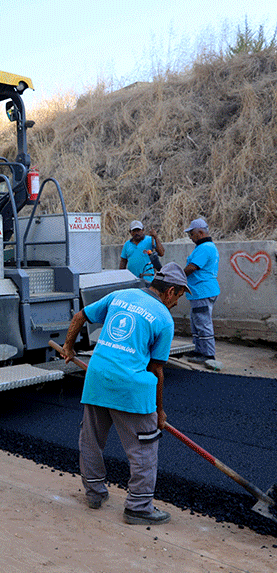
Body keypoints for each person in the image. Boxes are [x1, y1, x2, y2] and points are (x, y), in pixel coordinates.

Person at [62, 262, 190, 525]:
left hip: (97, 379)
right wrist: (160, 411)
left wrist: (68, 347)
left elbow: (79, 317)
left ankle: (95, 494)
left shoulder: (121, 295)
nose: (177, 303)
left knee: (91, 441)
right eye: (178, 297)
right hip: (131, 388)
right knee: (144, 448)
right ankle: (139, 508)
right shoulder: (164, 319)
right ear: (170, 292)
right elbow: (156, 371)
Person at [183, 218, 220, 365]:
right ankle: (199, 349)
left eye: (191, 234)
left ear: (199, 232)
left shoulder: (205, 248)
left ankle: (208, 354)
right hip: (201, 291)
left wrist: (177, 276)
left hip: (202, 291)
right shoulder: (206, 247)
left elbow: (192, 267)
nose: (191, 237)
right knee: (196, 321)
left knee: (203, 323)